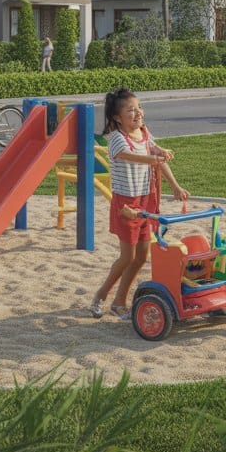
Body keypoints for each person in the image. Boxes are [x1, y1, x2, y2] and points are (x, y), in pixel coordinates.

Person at [90, 88, 189, 320]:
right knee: (127, 257)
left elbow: (158, 158)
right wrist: (152, 157)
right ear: (117, 117)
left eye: (139, 108)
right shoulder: (116, 137)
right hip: (126, 204)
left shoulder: (144, 133)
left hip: (146, 200)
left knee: (142, 256)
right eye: (130, 110)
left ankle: (119, 302)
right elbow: (126, 155)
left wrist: (175, 186)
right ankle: (100, 296)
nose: (137, 114)